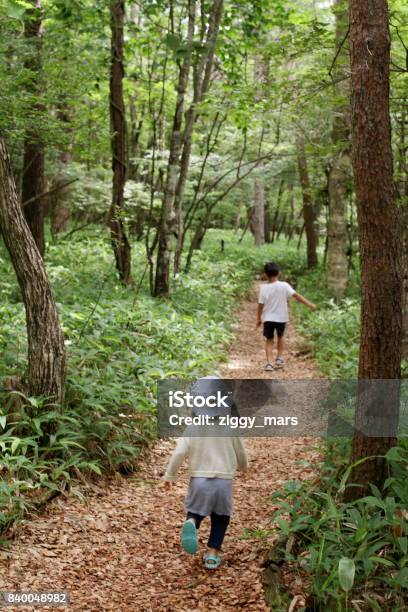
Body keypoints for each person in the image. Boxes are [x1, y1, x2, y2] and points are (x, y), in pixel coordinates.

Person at [163, 378, 249, 570]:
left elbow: (178, 453)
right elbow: (241, 452)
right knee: (221, 518)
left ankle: (192, 522)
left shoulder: (193, 428)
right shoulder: (230, 427)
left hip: (199, 481)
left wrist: (170, 476)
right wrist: (244, 467)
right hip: (223, 482)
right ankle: (212, 554)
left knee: (196, 510)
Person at [256, 262, 316, 371]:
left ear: (265, 274)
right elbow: (296, 296)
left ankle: (269, 363)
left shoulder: (263, 288)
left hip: (268, 318)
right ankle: (279, 358)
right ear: (279, 273)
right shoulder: (284, 285)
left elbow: (260, 305)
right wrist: (309, 304)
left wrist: (258, 318)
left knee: (269, 340)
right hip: (281, 317)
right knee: (280, 336)